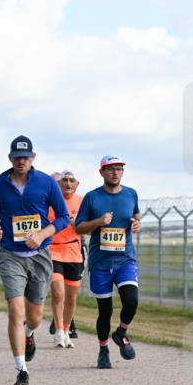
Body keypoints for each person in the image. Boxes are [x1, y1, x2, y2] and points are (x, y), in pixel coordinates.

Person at [0, 135, 68, 385]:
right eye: (17, 157)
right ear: (10, 158)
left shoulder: (46, 183)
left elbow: (63, 217)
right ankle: (22, 370)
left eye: (26, 157)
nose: (21, 161)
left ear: (33, 158)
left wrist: (42, 233)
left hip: (39, 256)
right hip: (10, 255)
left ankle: (30, 335)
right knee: (15, 311)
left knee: (35, 316)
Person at [74, 155, 142, 369]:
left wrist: (136, 223)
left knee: (131, 300)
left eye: (119, 169)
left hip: (125, 259)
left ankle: (121, 332)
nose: (115, 173)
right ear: (101, 172)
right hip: (101, 262)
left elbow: (137, 214)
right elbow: (79, 227)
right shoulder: (92, 198)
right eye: (110, 169)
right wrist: (98, 222)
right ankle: (103, 349)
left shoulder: (131, 194)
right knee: (105, 311)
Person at [48, 170, 85, 348]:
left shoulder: (82, 201)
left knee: (71, 298)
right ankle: (59, 331)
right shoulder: (50, 201)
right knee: (58, 292)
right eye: (64, 181)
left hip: (74, 252)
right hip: (53, 251)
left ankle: (67, 328)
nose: (68, 184)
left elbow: (89, 226)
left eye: (72, 180)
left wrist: (77, 223)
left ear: (77, 184)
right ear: (59, 184)